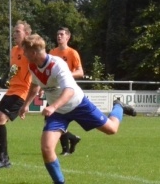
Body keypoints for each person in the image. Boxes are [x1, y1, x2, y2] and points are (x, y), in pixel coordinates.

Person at [18, 34, 136, 184]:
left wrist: (53, 106)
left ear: (33, 52)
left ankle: (118, 106)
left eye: (25, 51)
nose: (23, 54)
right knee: (47, 148)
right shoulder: (33, 66)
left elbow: (69, 91)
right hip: (59, 112)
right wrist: (25, 104)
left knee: (112, 129)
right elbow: (35, 86)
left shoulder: (57, 64)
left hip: (78, 104)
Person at [0, 20, 33, 168]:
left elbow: (37, 70)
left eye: (18, 31)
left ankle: (2, 159)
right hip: (11, 90)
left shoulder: (30, 51)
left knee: (0, 119)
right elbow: (11, 72)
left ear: (26, 34)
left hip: (22, 92)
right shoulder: (13, 50)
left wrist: (29, 101)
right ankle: (3, 159)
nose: (15, 34)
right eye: (14, 31)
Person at [49, 27, 83, 156]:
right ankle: (71, 140)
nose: (59, 36)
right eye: (58, 34)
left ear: (68, 37)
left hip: (67, 91)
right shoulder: (52, 52)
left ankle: (67, 147)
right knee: (52, 118)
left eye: (62, 34)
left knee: (55, 117)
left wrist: (67, 75)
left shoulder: (72, 53)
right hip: (54, 91)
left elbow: (81, 72)